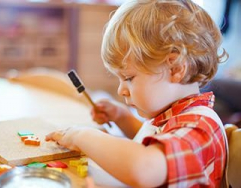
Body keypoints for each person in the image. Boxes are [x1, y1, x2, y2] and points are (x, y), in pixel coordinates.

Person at [45, 0, 229, 187]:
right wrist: (121, 117)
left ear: (175, 68)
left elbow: (145, 167)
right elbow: (152, 140)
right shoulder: (176, 117)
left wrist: (82, 136)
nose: (120, 90)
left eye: (129, 78)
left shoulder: (200, 128)